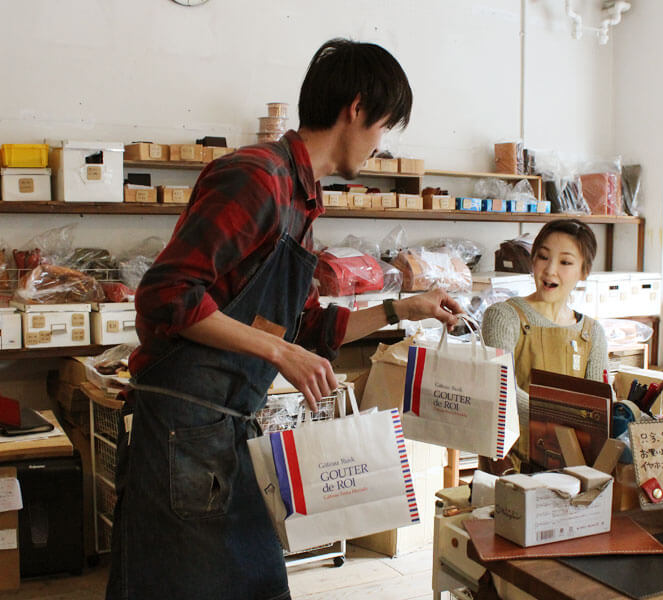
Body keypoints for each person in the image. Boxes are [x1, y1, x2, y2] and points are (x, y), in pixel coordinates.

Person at [106, 38, 461, 600]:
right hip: (185, 431)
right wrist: (278, 352)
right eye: (384, 127)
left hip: (221, 429)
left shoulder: (302, 197)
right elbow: (166, 294)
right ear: (357, 107)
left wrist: (402, 308)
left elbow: (309, 328)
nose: (381, 145)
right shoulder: (257, 177)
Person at [481, 218, 608, 472]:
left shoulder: (592, 333)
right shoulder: (505, 315)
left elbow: (597, 404)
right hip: (512, 464)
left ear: (584, 271)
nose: (550, 270)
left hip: (573, 468)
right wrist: (566, 419)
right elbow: (502, 391)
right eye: (543, 257)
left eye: (565, 262)